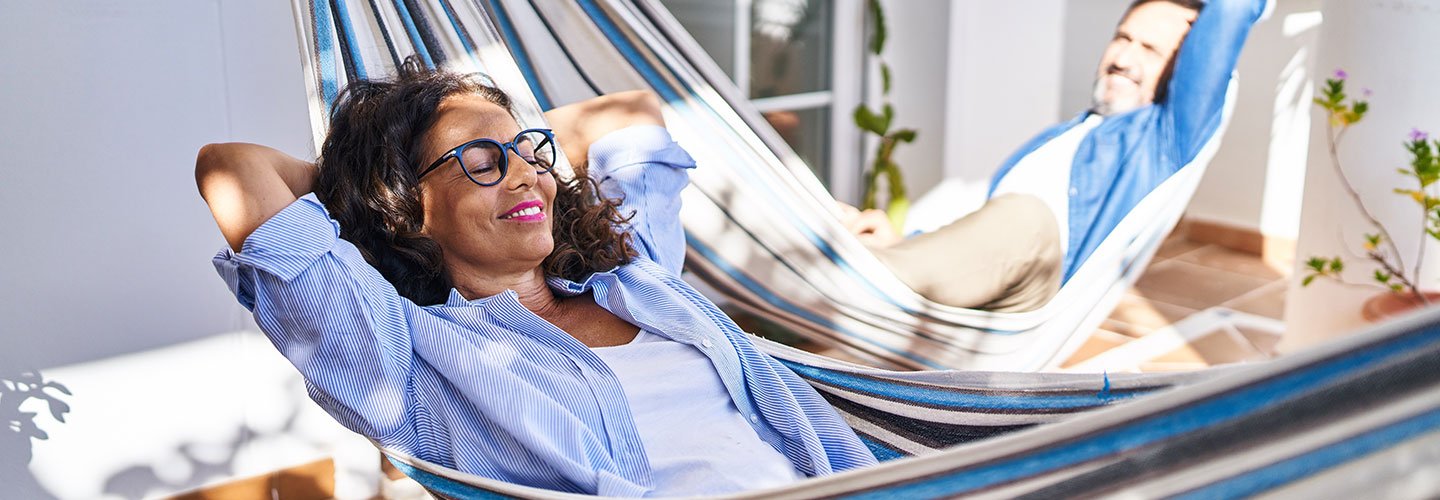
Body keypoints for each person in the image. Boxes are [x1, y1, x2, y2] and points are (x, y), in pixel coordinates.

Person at [195, 63, 875, 497]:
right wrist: (366, 188)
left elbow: (630, 112)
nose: (525, 173)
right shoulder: (407, 365)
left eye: (529, 153)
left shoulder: (634, 276)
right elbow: (232, 167)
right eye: (481, 161)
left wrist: (493, 145)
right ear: (405, 206)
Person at [845, 0, 1269, 312]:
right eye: (1122, 38)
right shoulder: (1063, 135)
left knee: (1027, 217)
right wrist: (906, 242)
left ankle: (845, 278)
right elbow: (988, 242)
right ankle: (868, 264)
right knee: (843, 223)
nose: (1122, 59)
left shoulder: (1164, 138)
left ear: (1182, 73)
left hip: (1030, 296)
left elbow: (1232, 10)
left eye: (1150, 50)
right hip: (980, 281)